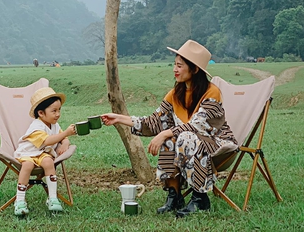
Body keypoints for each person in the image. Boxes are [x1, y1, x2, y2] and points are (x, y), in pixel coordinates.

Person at [101, 40, 237, 217]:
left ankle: (200, 199)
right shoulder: (175, 94)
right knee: (172, 139)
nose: (175, 69)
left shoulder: (212, 92)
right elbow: (154, 122)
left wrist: (166, 133)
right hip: (188, 144)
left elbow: (197, 126)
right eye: (175, 65)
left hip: (217, 144)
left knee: (183, 137)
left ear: (195, 69)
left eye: (180, 66)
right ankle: (175, 195)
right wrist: (119, 118)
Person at [13, 87, 76, 216]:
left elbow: (63, 138)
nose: (58, 114)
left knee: (48, 162)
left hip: (41, 155)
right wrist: (66, 133)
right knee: (28, 165)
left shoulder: (54, 125)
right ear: (41, 113)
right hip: (27, 154)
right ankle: (19, 200)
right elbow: (48, 141)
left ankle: (52, 198)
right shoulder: (36, 127)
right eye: (54, 111)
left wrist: (65, 142)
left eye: (59, 110)